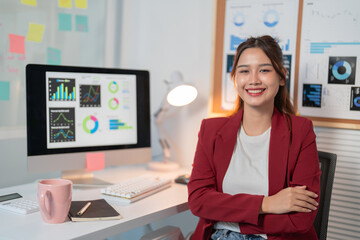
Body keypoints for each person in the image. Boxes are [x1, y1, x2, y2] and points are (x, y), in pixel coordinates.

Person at [187, 35, 321, 240]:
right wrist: (266, 204)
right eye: (244, 71)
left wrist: (227, 215)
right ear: (235, 79)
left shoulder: (301, 131)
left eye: (264, 70)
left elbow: (300, 219)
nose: (254, 79)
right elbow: (198, 201)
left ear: (282, 76)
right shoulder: (211, 130)